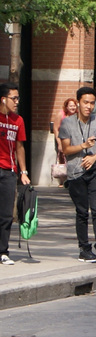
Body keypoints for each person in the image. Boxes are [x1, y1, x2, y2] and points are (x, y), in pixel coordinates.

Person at [59, 87, 96, 263]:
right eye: (85, 102)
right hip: (75, 172)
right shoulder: (67, 123)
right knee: (81, 212)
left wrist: (95, 156)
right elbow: (65, 149)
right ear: (78, 102)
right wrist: (83, 146)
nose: (89, 106)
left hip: (95, 170)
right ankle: (84, 248)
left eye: (92, 103)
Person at [0, 83, 30, 265]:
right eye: (14, 98)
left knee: (5, 214)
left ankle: (3, 251)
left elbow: (20, 147)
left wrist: (23, 171)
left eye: (18, 98)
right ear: (3, 99)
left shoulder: (17, 120)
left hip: (9, 171)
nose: (17, 102)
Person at [53, 98, 78, 186]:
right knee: (62, 159)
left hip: (73, 141)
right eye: (70, 106)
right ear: (66, 107)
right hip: (62, 140)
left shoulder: (77, 115)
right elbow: (55, 129)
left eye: (74, 106)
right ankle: (62, 180)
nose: (72, 108)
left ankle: (71, 179)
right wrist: (59, 143)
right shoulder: (61, 114)